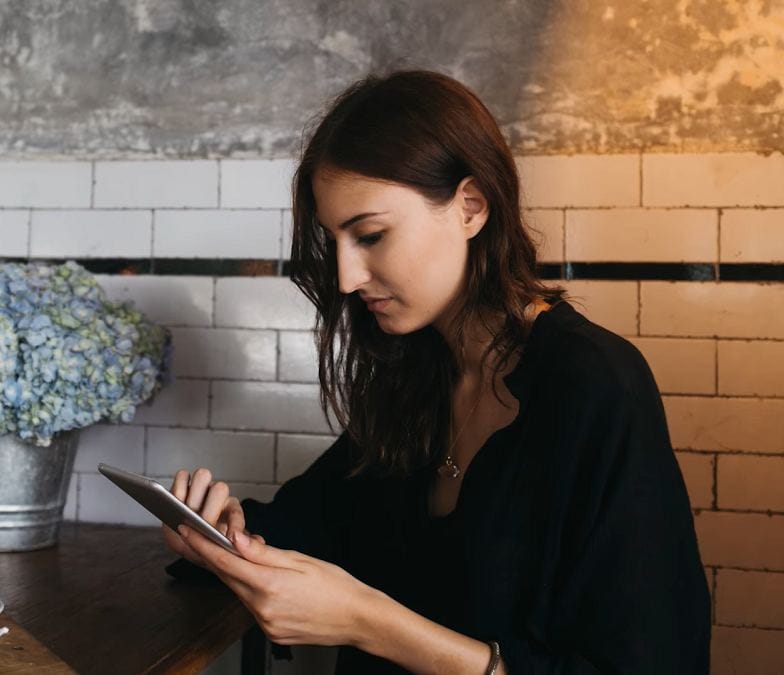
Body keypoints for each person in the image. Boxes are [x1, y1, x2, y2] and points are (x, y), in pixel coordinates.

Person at [161, 70, 710, 674]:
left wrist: (369, 621)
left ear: (470, 207)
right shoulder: (413, 374)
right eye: (334, 239)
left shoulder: (596, 386)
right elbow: (308, 524)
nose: (346, 277)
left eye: (371, 235)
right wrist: (220, 534)